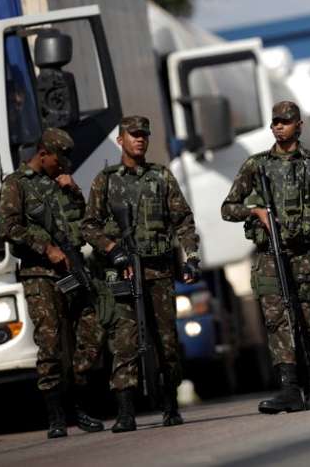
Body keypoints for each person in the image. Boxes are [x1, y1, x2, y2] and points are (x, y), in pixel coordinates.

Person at [221, 100, 310, 414]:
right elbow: (227, 208)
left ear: (298, 126)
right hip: (269, 257)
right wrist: (256, 211)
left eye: (286, 121)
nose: (279, 126)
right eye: (275, 121)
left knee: (309, 323)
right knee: (278, 322)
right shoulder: (256, 165)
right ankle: (289, 388)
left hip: (306, 256)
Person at [82, 115, 201, 432]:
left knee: (167, 342)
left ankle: (170, 404)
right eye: (133, 135)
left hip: (159, 272)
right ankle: (125, 411)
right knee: (124, 342)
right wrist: (111, 248)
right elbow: (88, 225)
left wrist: (191, 259)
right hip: (123, 274)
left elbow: (184, 221)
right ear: (120, 139)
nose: (140, 139)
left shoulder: (161, 176)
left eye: (144, 135)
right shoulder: (105, 180)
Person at [0, 127, 104, 439]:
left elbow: (85, 221)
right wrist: (46, 248)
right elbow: (8, 227)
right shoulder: (16, 184)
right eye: (58, 161)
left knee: (90, 330)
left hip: (74, 270)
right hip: (41, 275)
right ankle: (57, 415)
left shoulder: (62, 181)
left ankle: (81, 400)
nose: (62, 167)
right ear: (42, 154)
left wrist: (74, 190)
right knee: (51, 343)